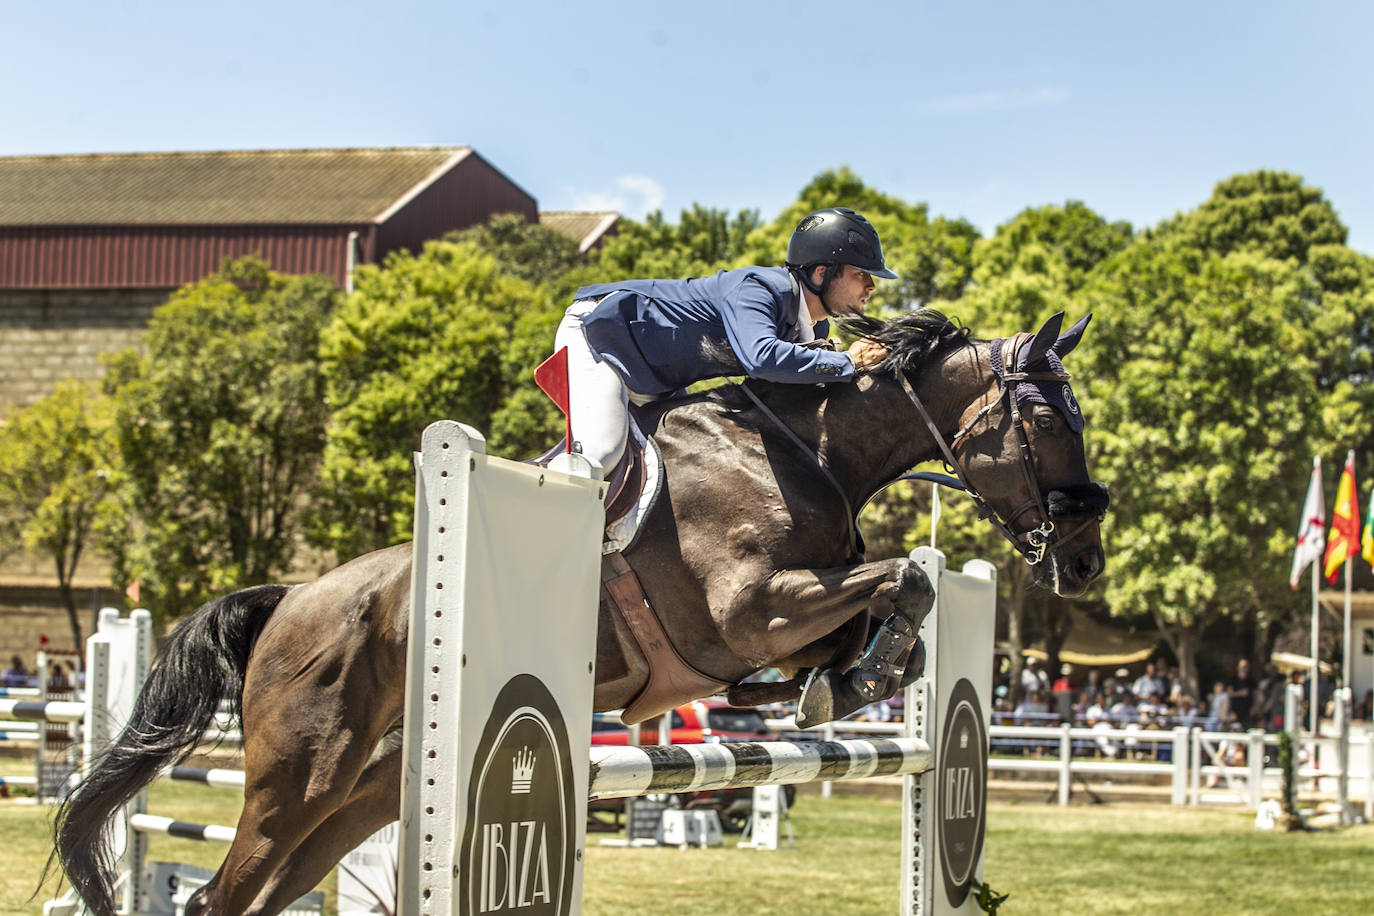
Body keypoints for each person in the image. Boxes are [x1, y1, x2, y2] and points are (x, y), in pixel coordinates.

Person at [552, 207, 898, 473]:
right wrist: (850, 361)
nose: (872, 286)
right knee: (601, 452)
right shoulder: (760, 289)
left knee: (678, 465)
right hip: (601, 336)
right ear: (822, 272)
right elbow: (762, 358)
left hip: (654, 378)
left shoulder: (814, 330)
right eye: (860, 274)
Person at [1226, 658, 1258, 729]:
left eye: (1246, 667)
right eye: (1243, 667)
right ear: (1238, 668)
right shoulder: (1233, 680)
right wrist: (1240, 693)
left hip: (1247, 711)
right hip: (1235, 710)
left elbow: (1255, 695)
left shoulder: (1251, 680)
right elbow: (1229, 694)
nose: (1244, 669)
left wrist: (1254, 708)